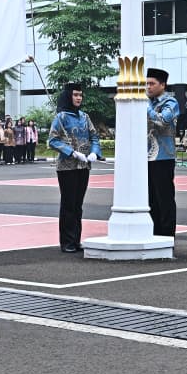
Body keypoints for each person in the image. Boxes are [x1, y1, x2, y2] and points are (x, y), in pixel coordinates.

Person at [47, 83, 104, 253]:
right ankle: (67, 242)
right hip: (67, 167)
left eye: (80, 95)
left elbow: (94, 137)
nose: (79, 98)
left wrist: (94, 152)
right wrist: (71, 152)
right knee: (68, 204)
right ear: (68, 96)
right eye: (75, 95)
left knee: (78, 205)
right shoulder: (61, 117)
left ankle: (76, 240)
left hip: (84, 165)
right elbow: (53, 140)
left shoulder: (85, 117)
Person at [146, 68, 180, 237]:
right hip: (147, 157)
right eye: (146, 84)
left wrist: (145, 107)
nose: (148, 87)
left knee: (164, 198)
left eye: (152, 84)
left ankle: (167, 235)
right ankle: (154, 234)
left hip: (163, 157)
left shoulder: (170, 102)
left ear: (162, 85)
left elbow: (163, 120)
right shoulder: (149, 102)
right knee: (151, 199)